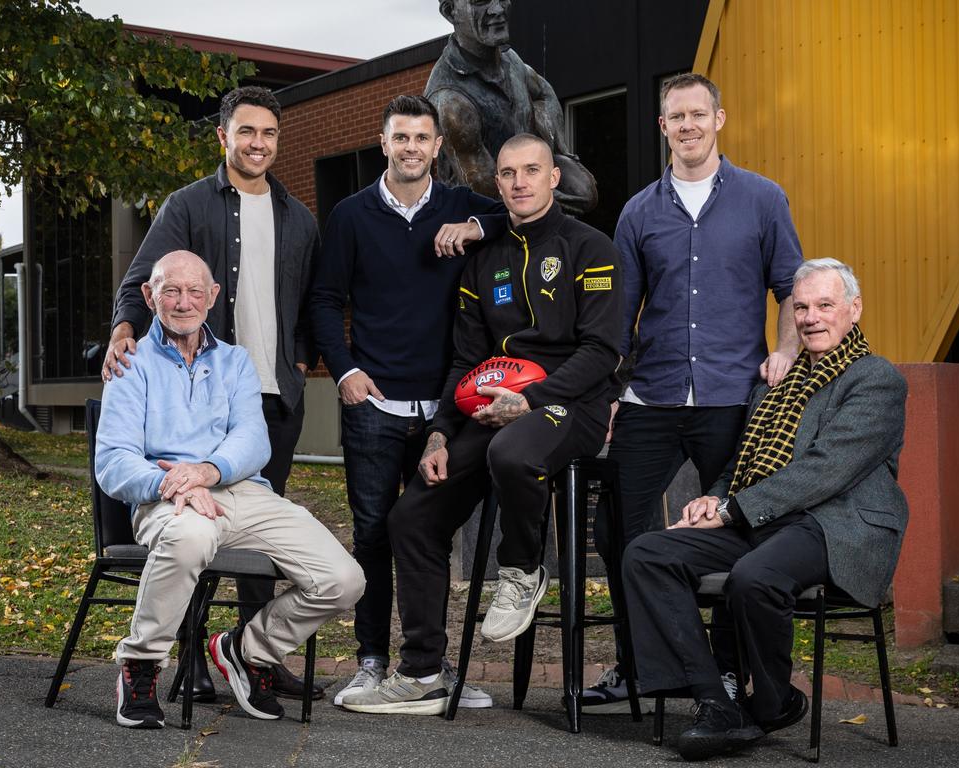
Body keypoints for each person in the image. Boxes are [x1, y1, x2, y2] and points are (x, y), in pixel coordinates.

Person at [341, 133, 623, 715]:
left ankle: (521, 568)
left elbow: (602, 351)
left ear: (554, 178)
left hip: (571, 403)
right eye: (507, 174)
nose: (519, 182)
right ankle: (422, 673)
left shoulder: (592, 247)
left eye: (531, 171)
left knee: (512, 453)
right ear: (496, 185)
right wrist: (441, 432)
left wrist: (535, 397)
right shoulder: (482, 259)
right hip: (491, 408)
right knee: (411, 515)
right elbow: (465, 362)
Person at [622, 258, 908, 761]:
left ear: (854, 310)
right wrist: (716, 494)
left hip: (840, 523)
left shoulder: (875, 379)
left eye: (825, 305)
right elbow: (743, 461)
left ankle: (775, 703)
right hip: (768, 517)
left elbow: (826, 469)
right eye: (801, 307)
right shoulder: (777, 383)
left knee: (753, 577)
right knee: (647, 554)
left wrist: (732, 510)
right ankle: (716, 702)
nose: (811, 317)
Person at [586, 72, 804, 713]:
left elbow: (789, 284)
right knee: (620, 534)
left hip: (734, 398)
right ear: (663, 128)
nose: (687, 126)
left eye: (697, 115)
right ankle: (637, 667)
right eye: (675, 117)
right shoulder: (638, 212)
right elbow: (619, 312)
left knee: (741, 531)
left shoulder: (763, 200)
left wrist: (787, 349)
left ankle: (730, 674)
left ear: (719, 119)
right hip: (651, 398)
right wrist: (609, 393)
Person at [102, 86, 319, 700]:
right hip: (203, 394)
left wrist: (300, 360)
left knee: (259, 531)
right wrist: (123, 330)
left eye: (269, 133)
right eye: (246, 131)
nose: (258, 144)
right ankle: (192, 661)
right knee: (195, 527)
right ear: (223, 136)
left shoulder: (298, 218)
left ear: (278, 140)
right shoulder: (189, 205)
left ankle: (256, 658)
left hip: (272, 400)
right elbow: (141, 281)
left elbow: (310, 302)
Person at [96, 251, 363, 730]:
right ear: (148, 295)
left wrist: (206, 471)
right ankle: (140, 666)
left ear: (213, 296)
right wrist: (169, 481)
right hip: (165, 498)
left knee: (343, 579)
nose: (183, 302)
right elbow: (112, 462)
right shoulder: (130, 363)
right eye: (170, 290)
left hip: (240, 492)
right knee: (191, 536)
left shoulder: (236, 362)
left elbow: (253, 441)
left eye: (195, 291)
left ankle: (247, 650)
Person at [310, 94, 506, 707]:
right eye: (401, 138)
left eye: (423, 138)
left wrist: (475, 226)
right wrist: (343, 370)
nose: (412, 148)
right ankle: (371, 662)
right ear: (384, 142)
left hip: (444, 411)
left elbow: (517, 214)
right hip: (373, 405)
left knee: (428, 537)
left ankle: (431, 665)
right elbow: (322, 300)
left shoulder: (459, 206)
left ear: (438, 146)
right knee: (371, 535)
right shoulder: (350, 215)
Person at [425, 0, 597, 216]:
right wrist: (543, 194)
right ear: (451, 12)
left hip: (529, 184)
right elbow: (487, 192)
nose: (497, 9)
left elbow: (544, 91)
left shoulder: (509, 59)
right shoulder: (450, 102)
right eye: (480, 2)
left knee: (584, 190)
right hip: (488, 219)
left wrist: (553, 147)